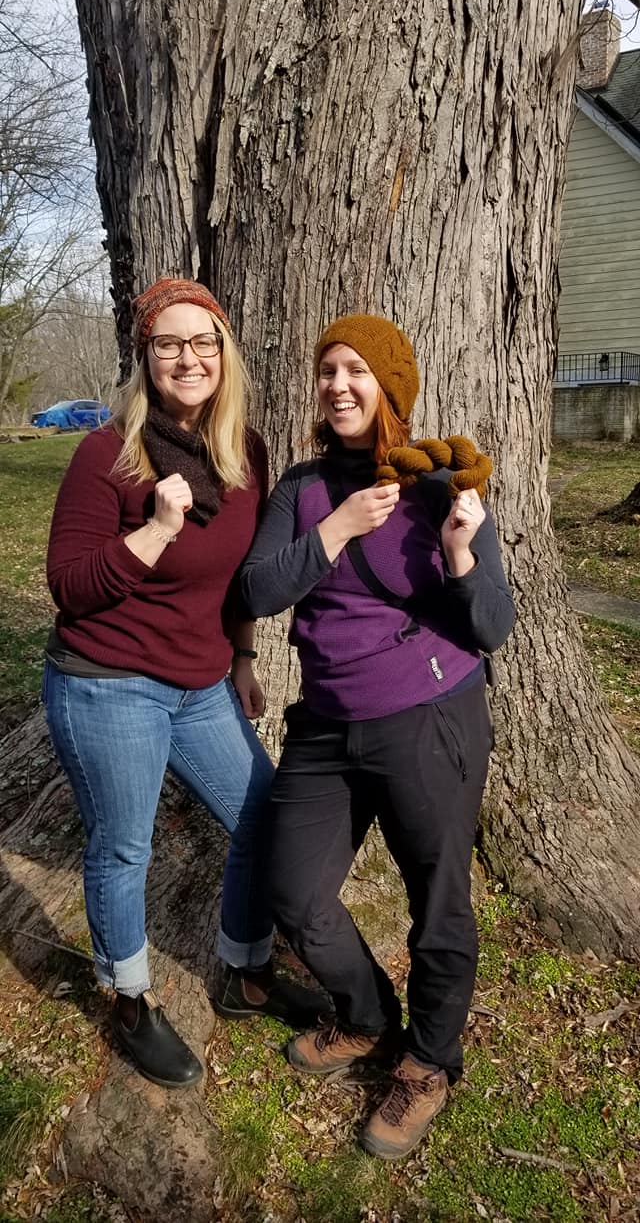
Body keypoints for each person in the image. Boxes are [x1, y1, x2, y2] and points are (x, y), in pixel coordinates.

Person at [240, 314, 516, 1159]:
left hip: (429, 719)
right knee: (295, 894)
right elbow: (257, 590)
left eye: (356, 370)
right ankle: (366, 1018)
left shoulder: (439, 484)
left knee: (438, 899)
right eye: (328, 370)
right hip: (325, 726)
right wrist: (339, 526)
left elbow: (493, 625)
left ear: (390, 386)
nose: (338, 385)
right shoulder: (301, 489)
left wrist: (461, 550)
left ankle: (428, 1064)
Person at [42, 277, 323, 1090]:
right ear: (146, 357)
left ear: (225, 354)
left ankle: (246, 972)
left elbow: (241, 580)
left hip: (201, 682)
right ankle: (129, 999)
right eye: (169, 343)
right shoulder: (107, 455)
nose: (188, 358)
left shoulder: (246, 453)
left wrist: (244, 658)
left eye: (204, 342)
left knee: (263, 813)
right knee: (125, 843)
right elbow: (69, 586)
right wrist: (157, 530)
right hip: (107, 683)